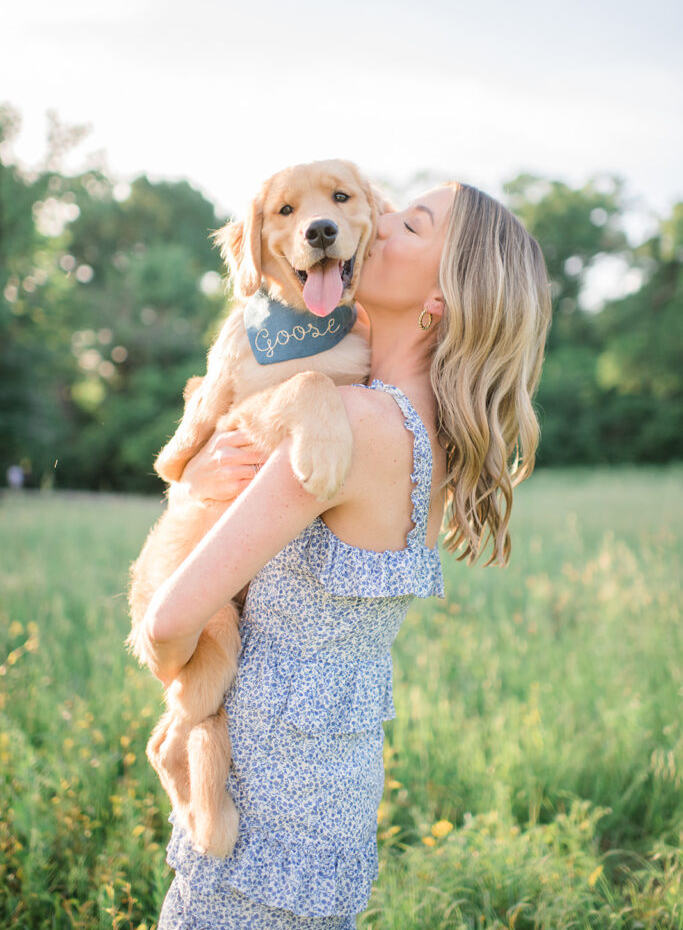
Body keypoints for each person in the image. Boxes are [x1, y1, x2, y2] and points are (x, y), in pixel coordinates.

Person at [141, 181, 552, 929]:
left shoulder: (349, 422)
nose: (377, 225)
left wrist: (184, 693)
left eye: (409, 224)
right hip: (333, 804)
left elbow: (167, 622)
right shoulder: (429, 441)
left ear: (441, 299)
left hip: (257, 804)